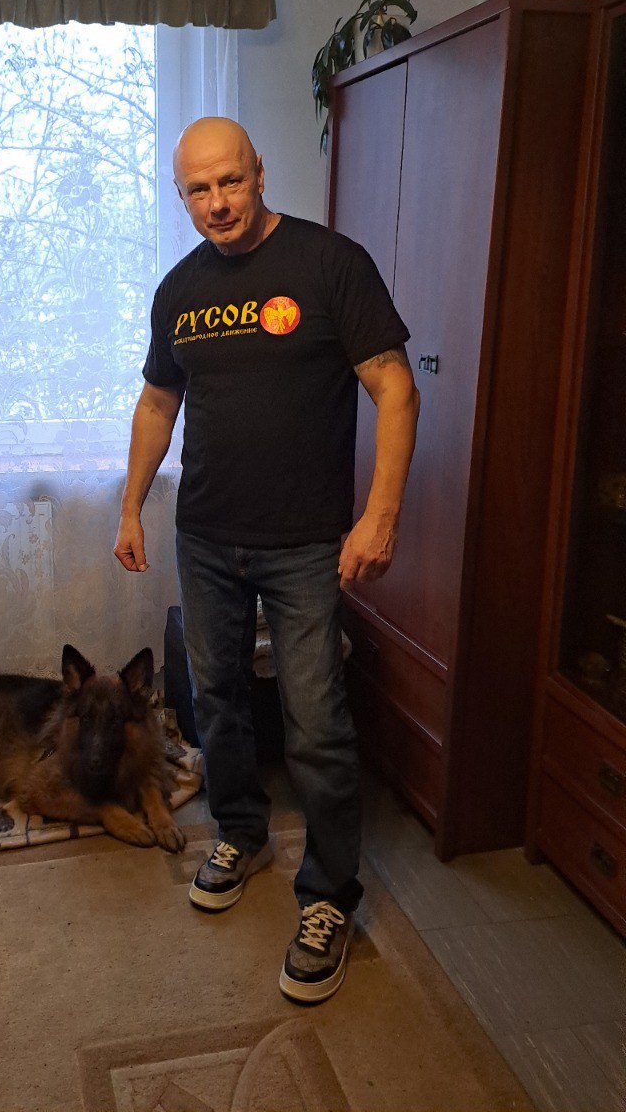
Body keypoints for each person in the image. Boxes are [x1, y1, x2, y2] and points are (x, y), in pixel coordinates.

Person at [114, 116, 419, 1003]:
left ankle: (327, 897)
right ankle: (242, 834)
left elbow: (395, 388)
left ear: (258, 172)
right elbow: (157, 403)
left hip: (307, 544)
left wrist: (380, 518)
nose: (217, 202)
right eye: (197, 190)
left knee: (315, 721)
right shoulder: (179, 290)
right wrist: (130, 505)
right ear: (182, 196)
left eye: (230, 181)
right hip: (205, 535)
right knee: (216, 701)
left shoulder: (330, 264)